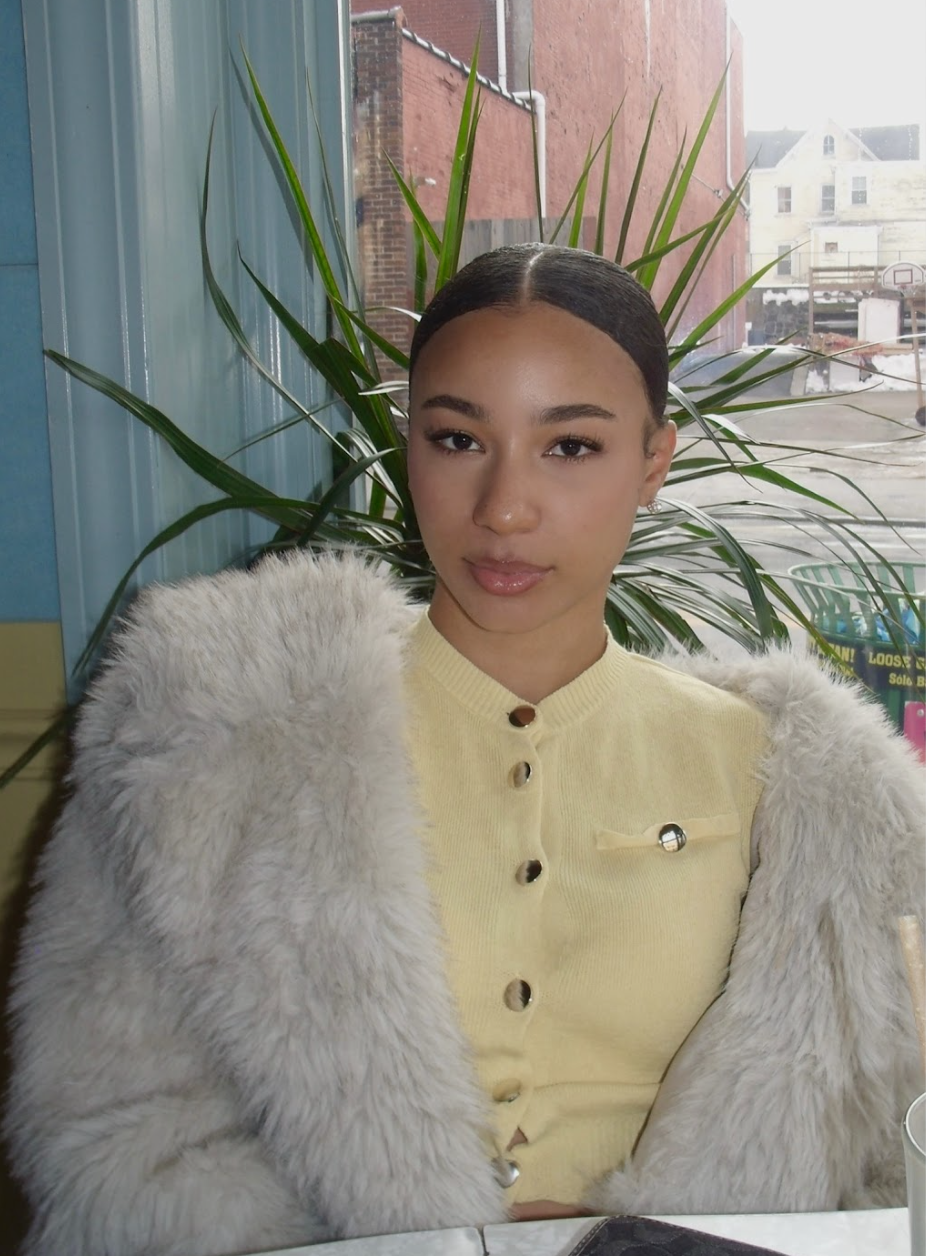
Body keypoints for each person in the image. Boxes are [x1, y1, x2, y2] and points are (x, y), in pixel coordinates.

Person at [4, 244, 922, 1256]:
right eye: (455, 438)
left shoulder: (815, 797)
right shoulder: (213, 738)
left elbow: (891, 1157)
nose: (503, 509)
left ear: (653, 462)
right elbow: (111, 1128)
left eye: (568, 446)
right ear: (409, 446)